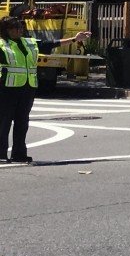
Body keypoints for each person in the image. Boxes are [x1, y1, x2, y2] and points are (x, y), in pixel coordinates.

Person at [1, 15, 90, 163]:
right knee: (3, 123)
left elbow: (51, 44)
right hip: (6, 89)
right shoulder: (2, 44)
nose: (18, 30)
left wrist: (75, 39)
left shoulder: (29, 42)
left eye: (19, 27)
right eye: (14, 28)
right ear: (5, 31)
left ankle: (19, 154)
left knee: (22, 123)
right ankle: (1, 154)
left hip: (27, 88)